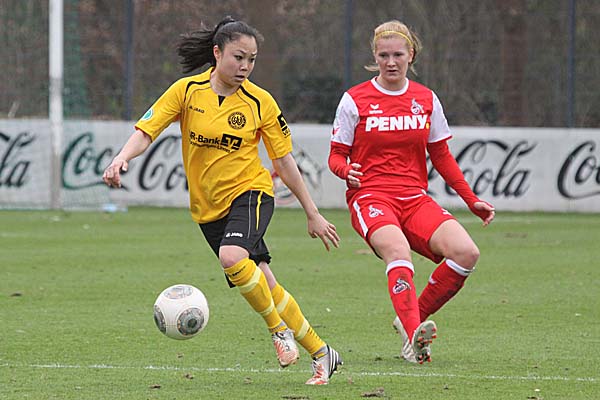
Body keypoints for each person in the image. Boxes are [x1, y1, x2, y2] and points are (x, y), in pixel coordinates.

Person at [103, 16, 342, 385]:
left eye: (252, 59)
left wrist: (312, 212)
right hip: (208, 210)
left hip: (252, 193)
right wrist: (122, 157)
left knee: (231, 257)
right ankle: (323, 353)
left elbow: (283, 162)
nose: (245, 66)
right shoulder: (187, 91)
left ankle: (279, 331)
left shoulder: (260, 102)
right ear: (217, 53)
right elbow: (147, 129)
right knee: (265, 283)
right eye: (238, 57)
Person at [328, 20, 495, 364]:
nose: (390, 62)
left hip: (415, 198)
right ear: (374, 56)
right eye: (383, 55)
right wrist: (346, 171)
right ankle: (414, 338)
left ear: (411, 55)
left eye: (398, 55)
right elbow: (335, 155)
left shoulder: (426, 99)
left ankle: (410, 322)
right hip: (371, 197)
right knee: (397, 250)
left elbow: (441, 155)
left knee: (466, 253)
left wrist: (471, 200)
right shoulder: (354, 100)